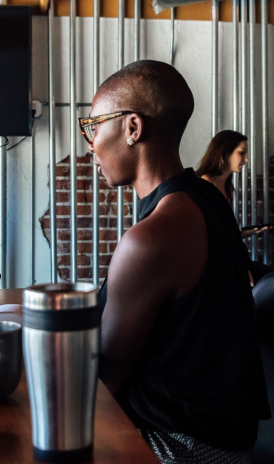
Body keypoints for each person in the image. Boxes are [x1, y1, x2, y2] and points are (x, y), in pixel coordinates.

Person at [80, 60, 269, 463]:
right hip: (229, 440)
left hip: (182, 448)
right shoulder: (206, 201)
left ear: (132, 128)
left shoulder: (149, 239)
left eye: (94, 126)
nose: (91, 143)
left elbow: (100, 386)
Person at [196, 130, 272, 239]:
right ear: (225, 153)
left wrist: (244, 234)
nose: (246, 159)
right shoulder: (205, 184)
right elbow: (206, 235)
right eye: (242, 153)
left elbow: (221, 234)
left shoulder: (228, 187)